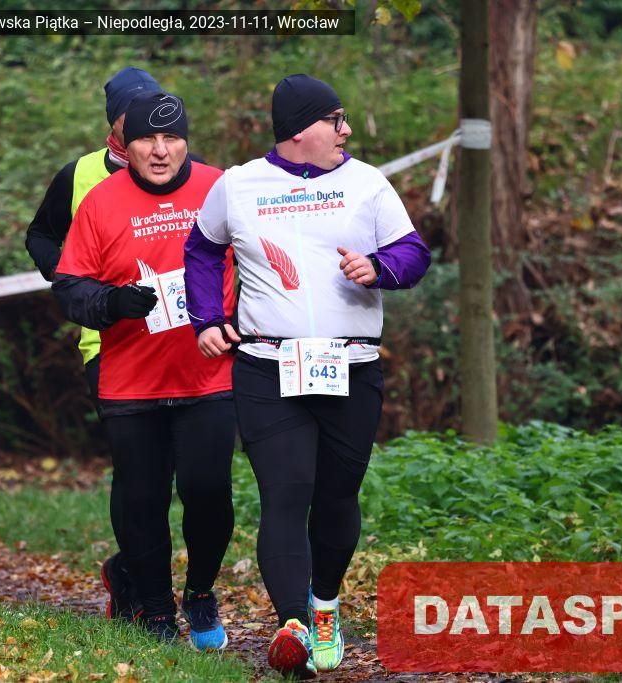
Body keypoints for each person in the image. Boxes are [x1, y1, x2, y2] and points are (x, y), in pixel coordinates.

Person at [184, 74, 431, 678]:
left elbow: (414, 252)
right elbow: (202, 250)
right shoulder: (238, 185)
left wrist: (379, 267)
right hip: (268, 368)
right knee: (285, 493)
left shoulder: (367, 182)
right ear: (300, 130)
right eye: (335, 119)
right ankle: (292, 625)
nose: (346, 130)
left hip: (351, 367)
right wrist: (206, 318)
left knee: (337, 497)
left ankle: (324, 606)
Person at [52, 92, 237, 650]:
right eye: (146, 140)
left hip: (209, 374)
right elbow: (70, 288)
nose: (160, 151)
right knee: (143, 500)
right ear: (123, 145)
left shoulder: (221, 188)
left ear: (186, 141)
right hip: (131, 381)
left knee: (208, 492)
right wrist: (111, 304)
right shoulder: (101, 201)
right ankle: (156, 610)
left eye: (171, 138)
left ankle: (200, 592)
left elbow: (262, 260)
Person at [25, 66, 162, 623]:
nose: (149, 126)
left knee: (170, 468)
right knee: (134, 467)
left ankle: (130, 566)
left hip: (172, 338)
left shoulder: (179, 167)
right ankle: (138, 586)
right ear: (115, 123)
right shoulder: (78, 175)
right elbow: (39, 234)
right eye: (136, 116)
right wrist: (70, 275)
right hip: (104, 344)